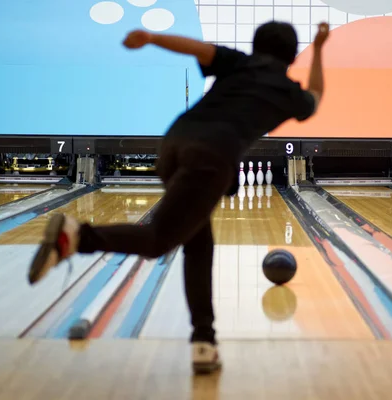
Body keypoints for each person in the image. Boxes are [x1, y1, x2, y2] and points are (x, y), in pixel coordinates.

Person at [28, 21, 329, 374]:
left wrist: (152, 37)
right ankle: (77, 237)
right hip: (212, 157)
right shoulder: (288, 91)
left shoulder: (238, 62)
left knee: (198, 243)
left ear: (255, 45)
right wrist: (320, 47)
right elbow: (317, 96)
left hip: (174, 143)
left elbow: (196, 48)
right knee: (158, 241)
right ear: (292, 55)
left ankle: (204, 341)